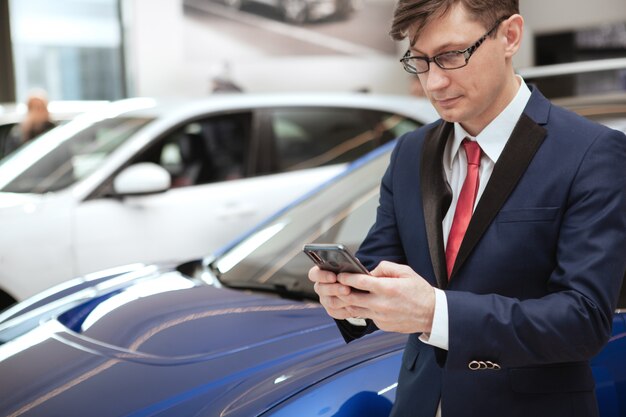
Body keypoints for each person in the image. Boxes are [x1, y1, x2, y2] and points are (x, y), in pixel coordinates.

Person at [308, 1, 626, 417]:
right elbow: (381, 264)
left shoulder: (592, 152)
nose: (434, 82)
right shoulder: (410, 152)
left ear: (510, 36)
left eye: (453, 55)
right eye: (419, 61)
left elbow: (583, 320)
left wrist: (435, 311)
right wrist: (349, 299)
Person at [3, 90, 56, 157]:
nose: (38, 113)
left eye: (41, 108)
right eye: (35, 108)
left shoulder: (54, 130)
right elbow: (11, 157)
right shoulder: (18, 133)